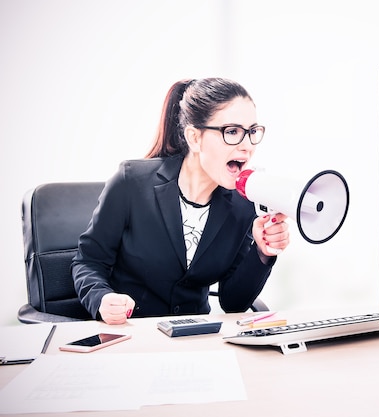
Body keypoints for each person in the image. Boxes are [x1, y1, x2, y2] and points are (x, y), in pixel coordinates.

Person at [71, 78, 289, 325]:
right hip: (132, 334)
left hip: (194, 340)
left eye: (252, 132)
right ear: (195, 138)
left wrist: (261, 253)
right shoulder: (131, 182)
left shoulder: (243, 205)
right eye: (232, 132)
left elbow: (233, 303)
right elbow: (88, 261)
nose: (247, 145)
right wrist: (101, 299)